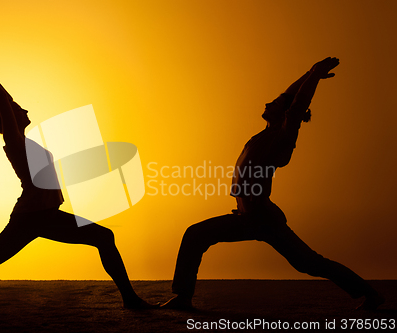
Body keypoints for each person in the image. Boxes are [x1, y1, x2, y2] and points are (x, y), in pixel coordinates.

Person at [0, 53, 155, 310]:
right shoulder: (15, 143)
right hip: (33, 217)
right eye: (19, 109)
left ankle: (130, 299)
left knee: (103, 237)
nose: (25, 109)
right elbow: (3, 100)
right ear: (9, 119)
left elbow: (8, 101)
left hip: (43, 215)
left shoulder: (26, 142)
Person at [161, 57, 384, 311]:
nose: (268, 103)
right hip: (250, 216)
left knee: (310, 263)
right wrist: (309, 73)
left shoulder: (283, 136)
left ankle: (370, 294)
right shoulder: (265, 134)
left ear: (284, 113)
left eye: (275, 103)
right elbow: (290, 97)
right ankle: (183, 297)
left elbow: (296, 105)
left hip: (261, 218)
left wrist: (313, 78)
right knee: (197, 235)